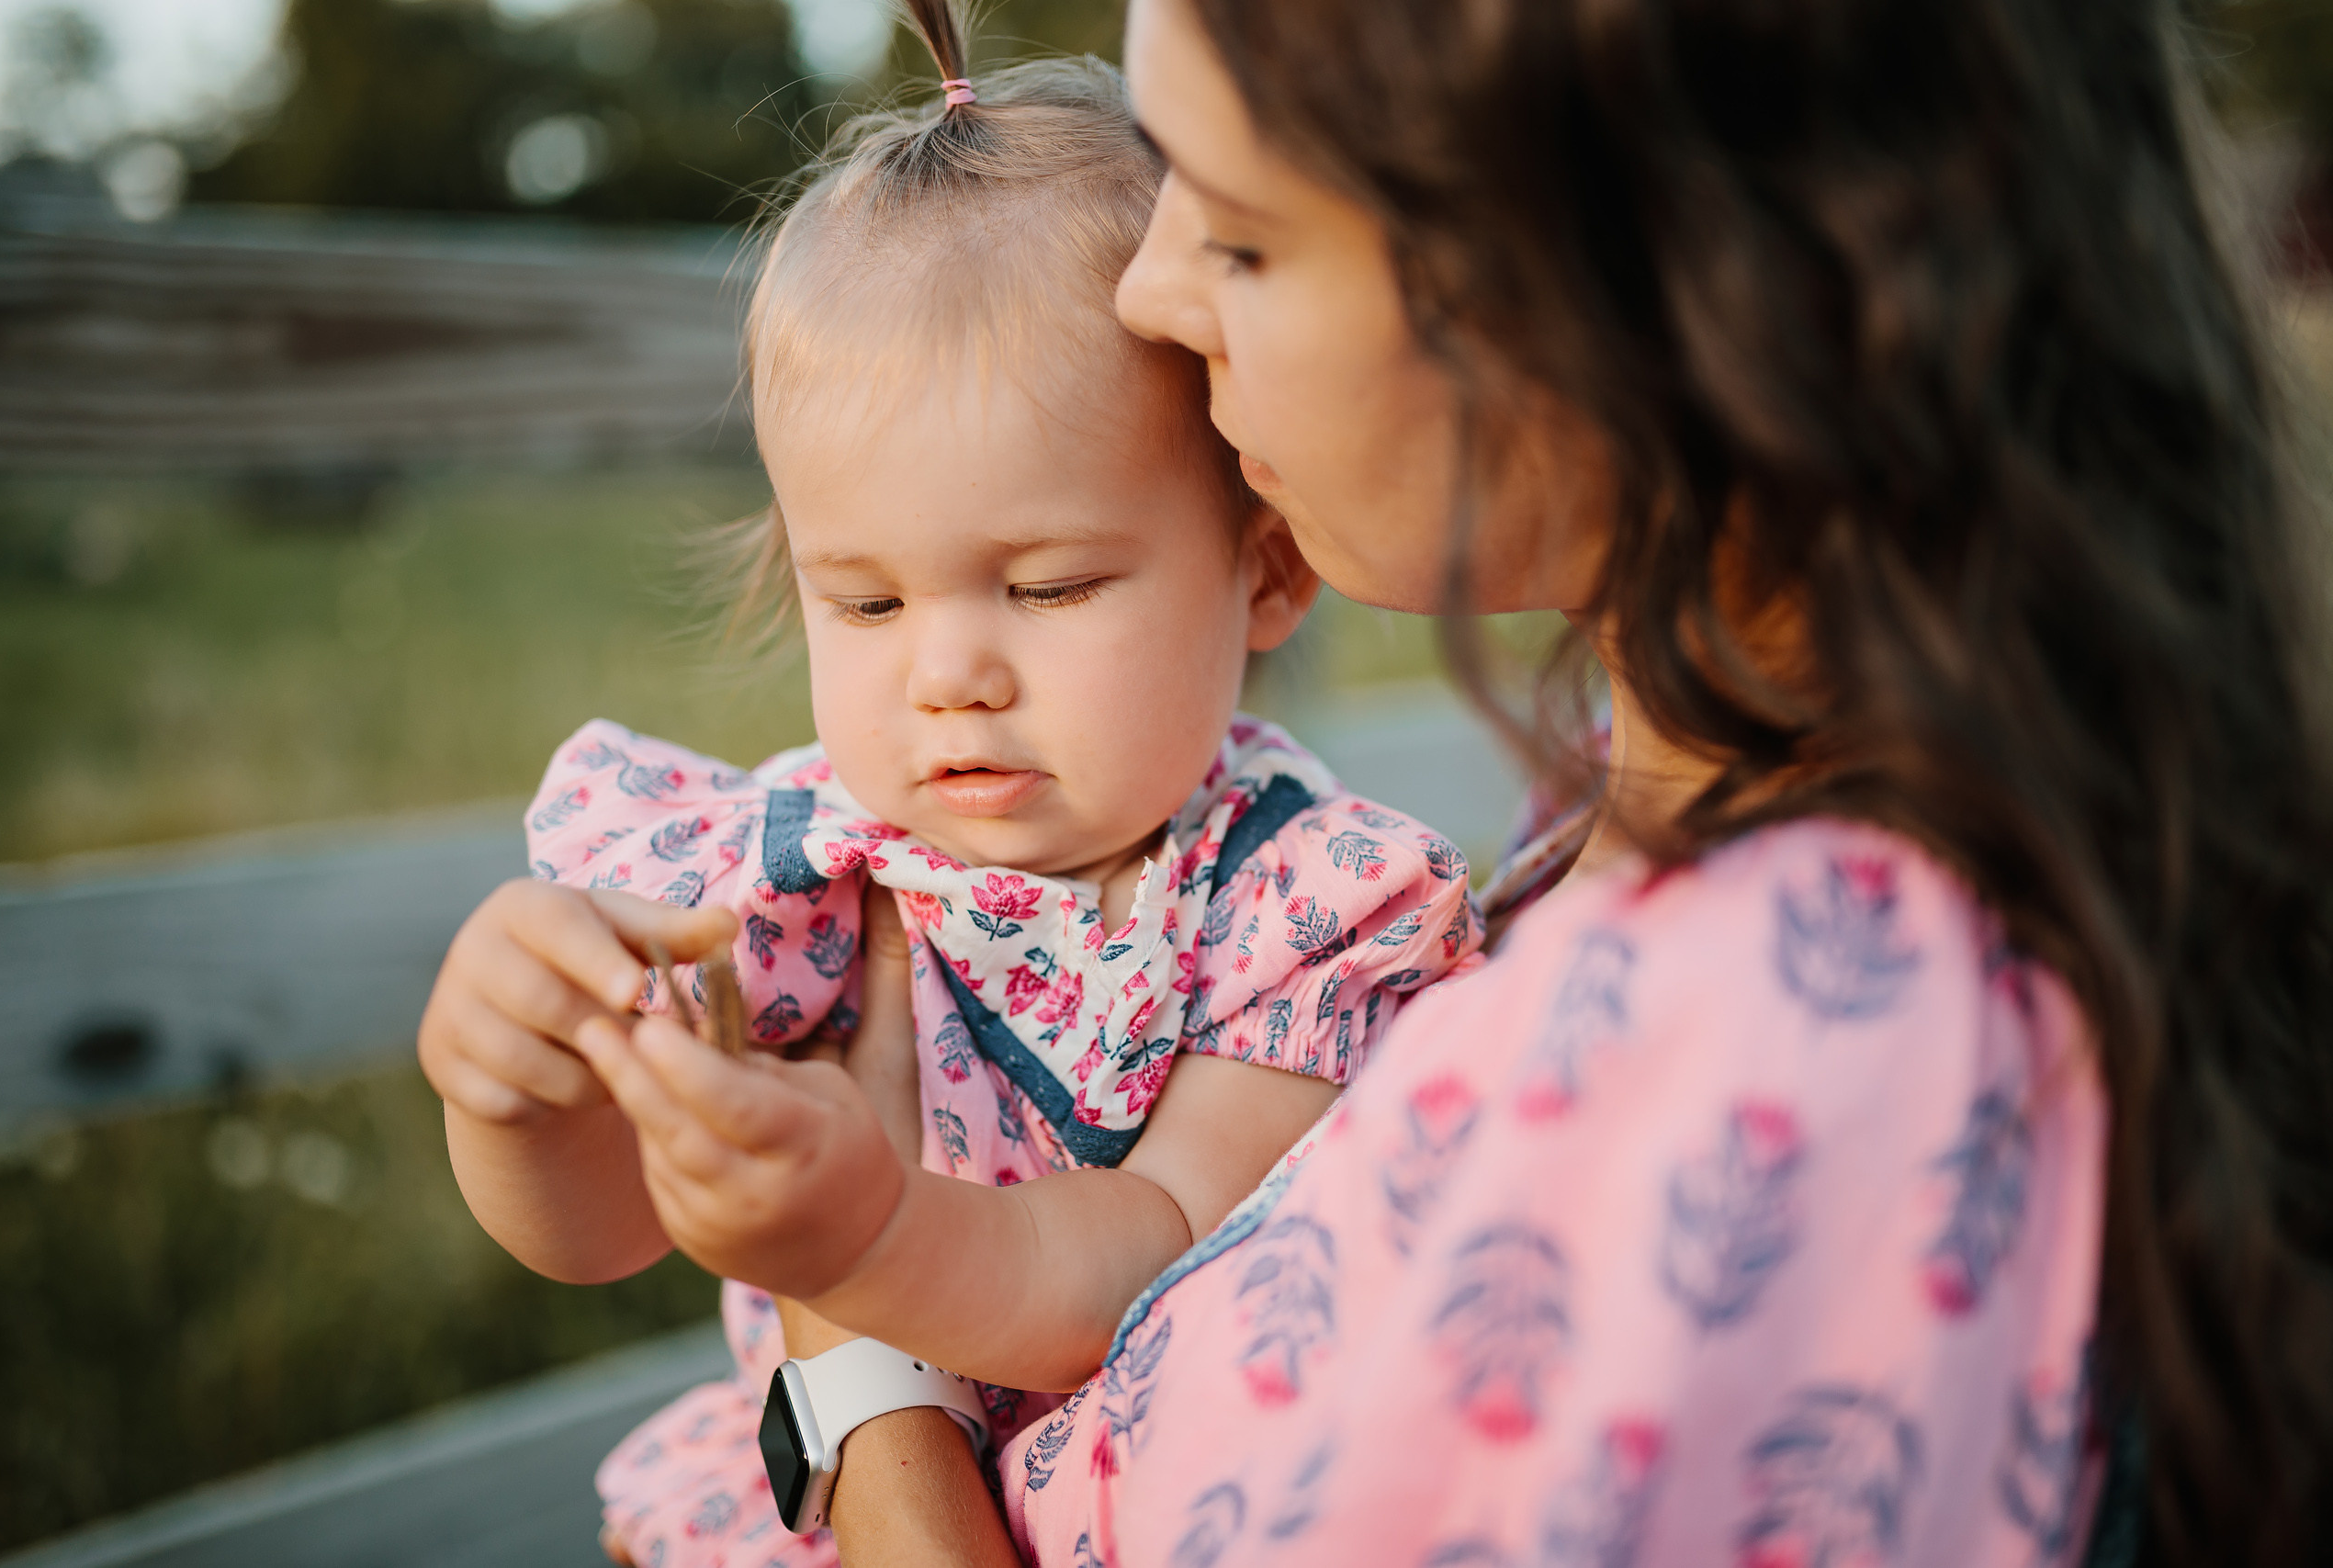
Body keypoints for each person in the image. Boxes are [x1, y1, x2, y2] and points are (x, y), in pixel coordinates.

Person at [553, 0, 2333, 1562]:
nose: (1146, 286)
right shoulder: (1695, 849)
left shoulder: (1767, 1060)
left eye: (1236, 233)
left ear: (1634, 280)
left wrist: (859, 1368)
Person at [414, 7, 1482, 1563]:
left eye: (1047, 589)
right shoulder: (784, 877)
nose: (949, 674)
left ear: (1264, 574)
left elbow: (1152, 1249)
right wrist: (518, 1094)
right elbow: (602, 1232)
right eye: (865, 602)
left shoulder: (1289, 908)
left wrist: (861, 1245)